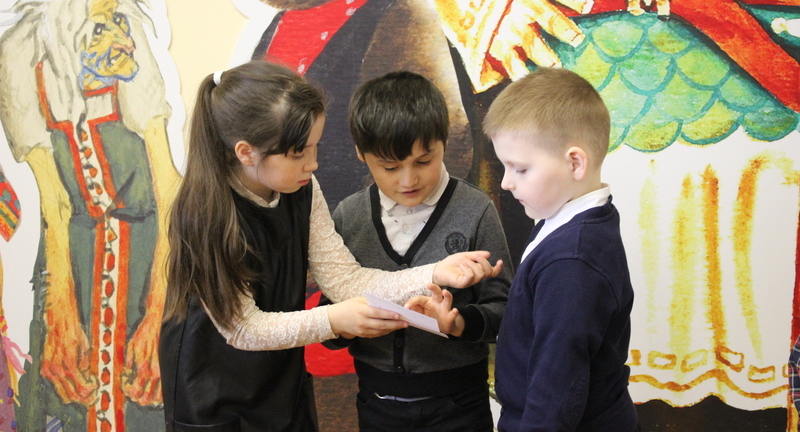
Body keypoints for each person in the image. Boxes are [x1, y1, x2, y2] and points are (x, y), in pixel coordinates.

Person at [157, 60, 502, 432]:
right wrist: (334, 320)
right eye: (299, 153)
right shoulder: (204, 214)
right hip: (213, 388)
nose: (313, 164)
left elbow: (345, 280)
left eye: (314, 147)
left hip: (281, 375)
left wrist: (435, 273)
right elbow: (243, 329)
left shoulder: (302, 186)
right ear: (247, 152)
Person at [408, 67, 637, 431]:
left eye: (520, 169)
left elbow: (556, 389)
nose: (506, 183)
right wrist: (461, 323)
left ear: (575, 163)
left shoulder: (572, 262)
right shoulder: (563, 222)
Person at [319, 71, 513, 431]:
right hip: (377, 403)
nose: (408, 180)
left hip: (459, 404)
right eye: (390, 167)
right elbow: (328, 314)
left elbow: (505, 311)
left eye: (423, 161)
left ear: (444, 143)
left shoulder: (476, 209)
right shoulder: (349, 215)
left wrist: (458, 323)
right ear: (361, 154)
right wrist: (345, 326)